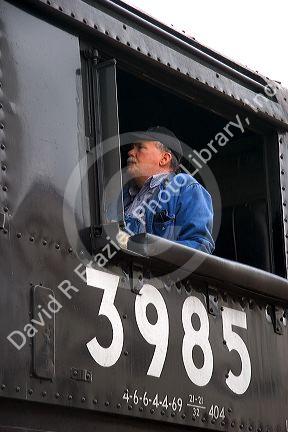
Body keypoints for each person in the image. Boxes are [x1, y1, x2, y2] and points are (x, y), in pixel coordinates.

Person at [123, 127, 214, 254]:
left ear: (164, 158)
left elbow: (199, 246)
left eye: (140, 147)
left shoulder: (185, 187)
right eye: (133, 147)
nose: (131, 152)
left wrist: (148, 248)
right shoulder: (122, 196)